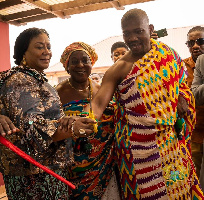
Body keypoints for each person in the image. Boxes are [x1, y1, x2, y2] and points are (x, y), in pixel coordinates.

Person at [74, 8, 204, 199]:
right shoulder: (119, 69)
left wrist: (181, 98)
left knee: (180, 192)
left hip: (171, 146)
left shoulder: (167, 53)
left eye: (138, 31)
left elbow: (181, 84)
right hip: (138, 153)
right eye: (127, 33)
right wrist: (81, 121)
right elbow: (98, 103)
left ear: (150, 29)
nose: (132, 38)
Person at [0, 28, 90, 200]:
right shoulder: (19, 81)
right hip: (32, 173)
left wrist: (67, 121)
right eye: (39, 47)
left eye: (48, 46)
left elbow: (45, 117)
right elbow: (30, 127)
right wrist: (72, 129)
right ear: (23, 52)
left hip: (45, 168)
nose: (47, 52)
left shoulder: (36, 79)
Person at [56, 42, 120, 200]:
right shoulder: (57, 93)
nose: (80, 65)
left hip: (104, 164)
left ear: (92, 63)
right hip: (72, 167)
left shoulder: (102, 90)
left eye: (85, 60)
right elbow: (52, 127)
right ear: (67, 66)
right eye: (74, 62)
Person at [183, 26, 204, 178]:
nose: (195, 46)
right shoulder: (179, 67)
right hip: (193, 135)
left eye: (201, 41)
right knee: (194, 178)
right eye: (191, 43)